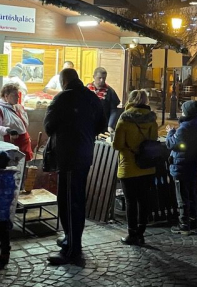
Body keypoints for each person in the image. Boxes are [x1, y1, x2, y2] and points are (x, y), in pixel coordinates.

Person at [44, 68, 106, 265]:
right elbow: (101, 126)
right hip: (84, 154)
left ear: (63, 81)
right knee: (75, 199)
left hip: (69, 156)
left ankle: (72, 250)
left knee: (69, 202)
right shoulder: (92, 97)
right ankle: (70, 239)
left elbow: (48, 126)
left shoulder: (62, 99)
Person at [113, 90, 159, 245]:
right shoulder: (151, 120)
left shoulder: (125, 119)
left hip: (129, 166)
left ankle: (132, 234)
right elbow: (153, 141)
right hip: (147, 167)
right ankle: (141, 232)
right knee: (143, 201)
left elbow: (117, 145)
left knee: (131, 201)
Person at [166, 100, 197, 235]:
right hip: (192, 164)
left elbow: (172, 144)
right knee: (191, 194)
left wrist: (170, 133)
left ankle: (184, 224)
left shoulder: (184, 128)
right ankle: (194, 221)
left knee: (182, 196)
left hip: (181, 166)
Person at [0, 83, 33, 160]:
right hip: (6, 146)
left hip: (22, 145)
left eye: (18, 94)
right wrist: (8, 130)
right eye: (15, 95)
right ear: (6, 96)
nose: (18, 97)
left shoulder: (18, 107)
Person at [88, 67, 122, 135]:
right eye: (99, 78)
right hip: (88, 124)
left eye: (104, 78)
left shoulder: (110, 91)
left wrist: (110, 125)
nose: (102, 80)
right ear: (94, 77)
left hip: (103, 126)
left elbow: (114, 110)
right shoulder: (86, 90)